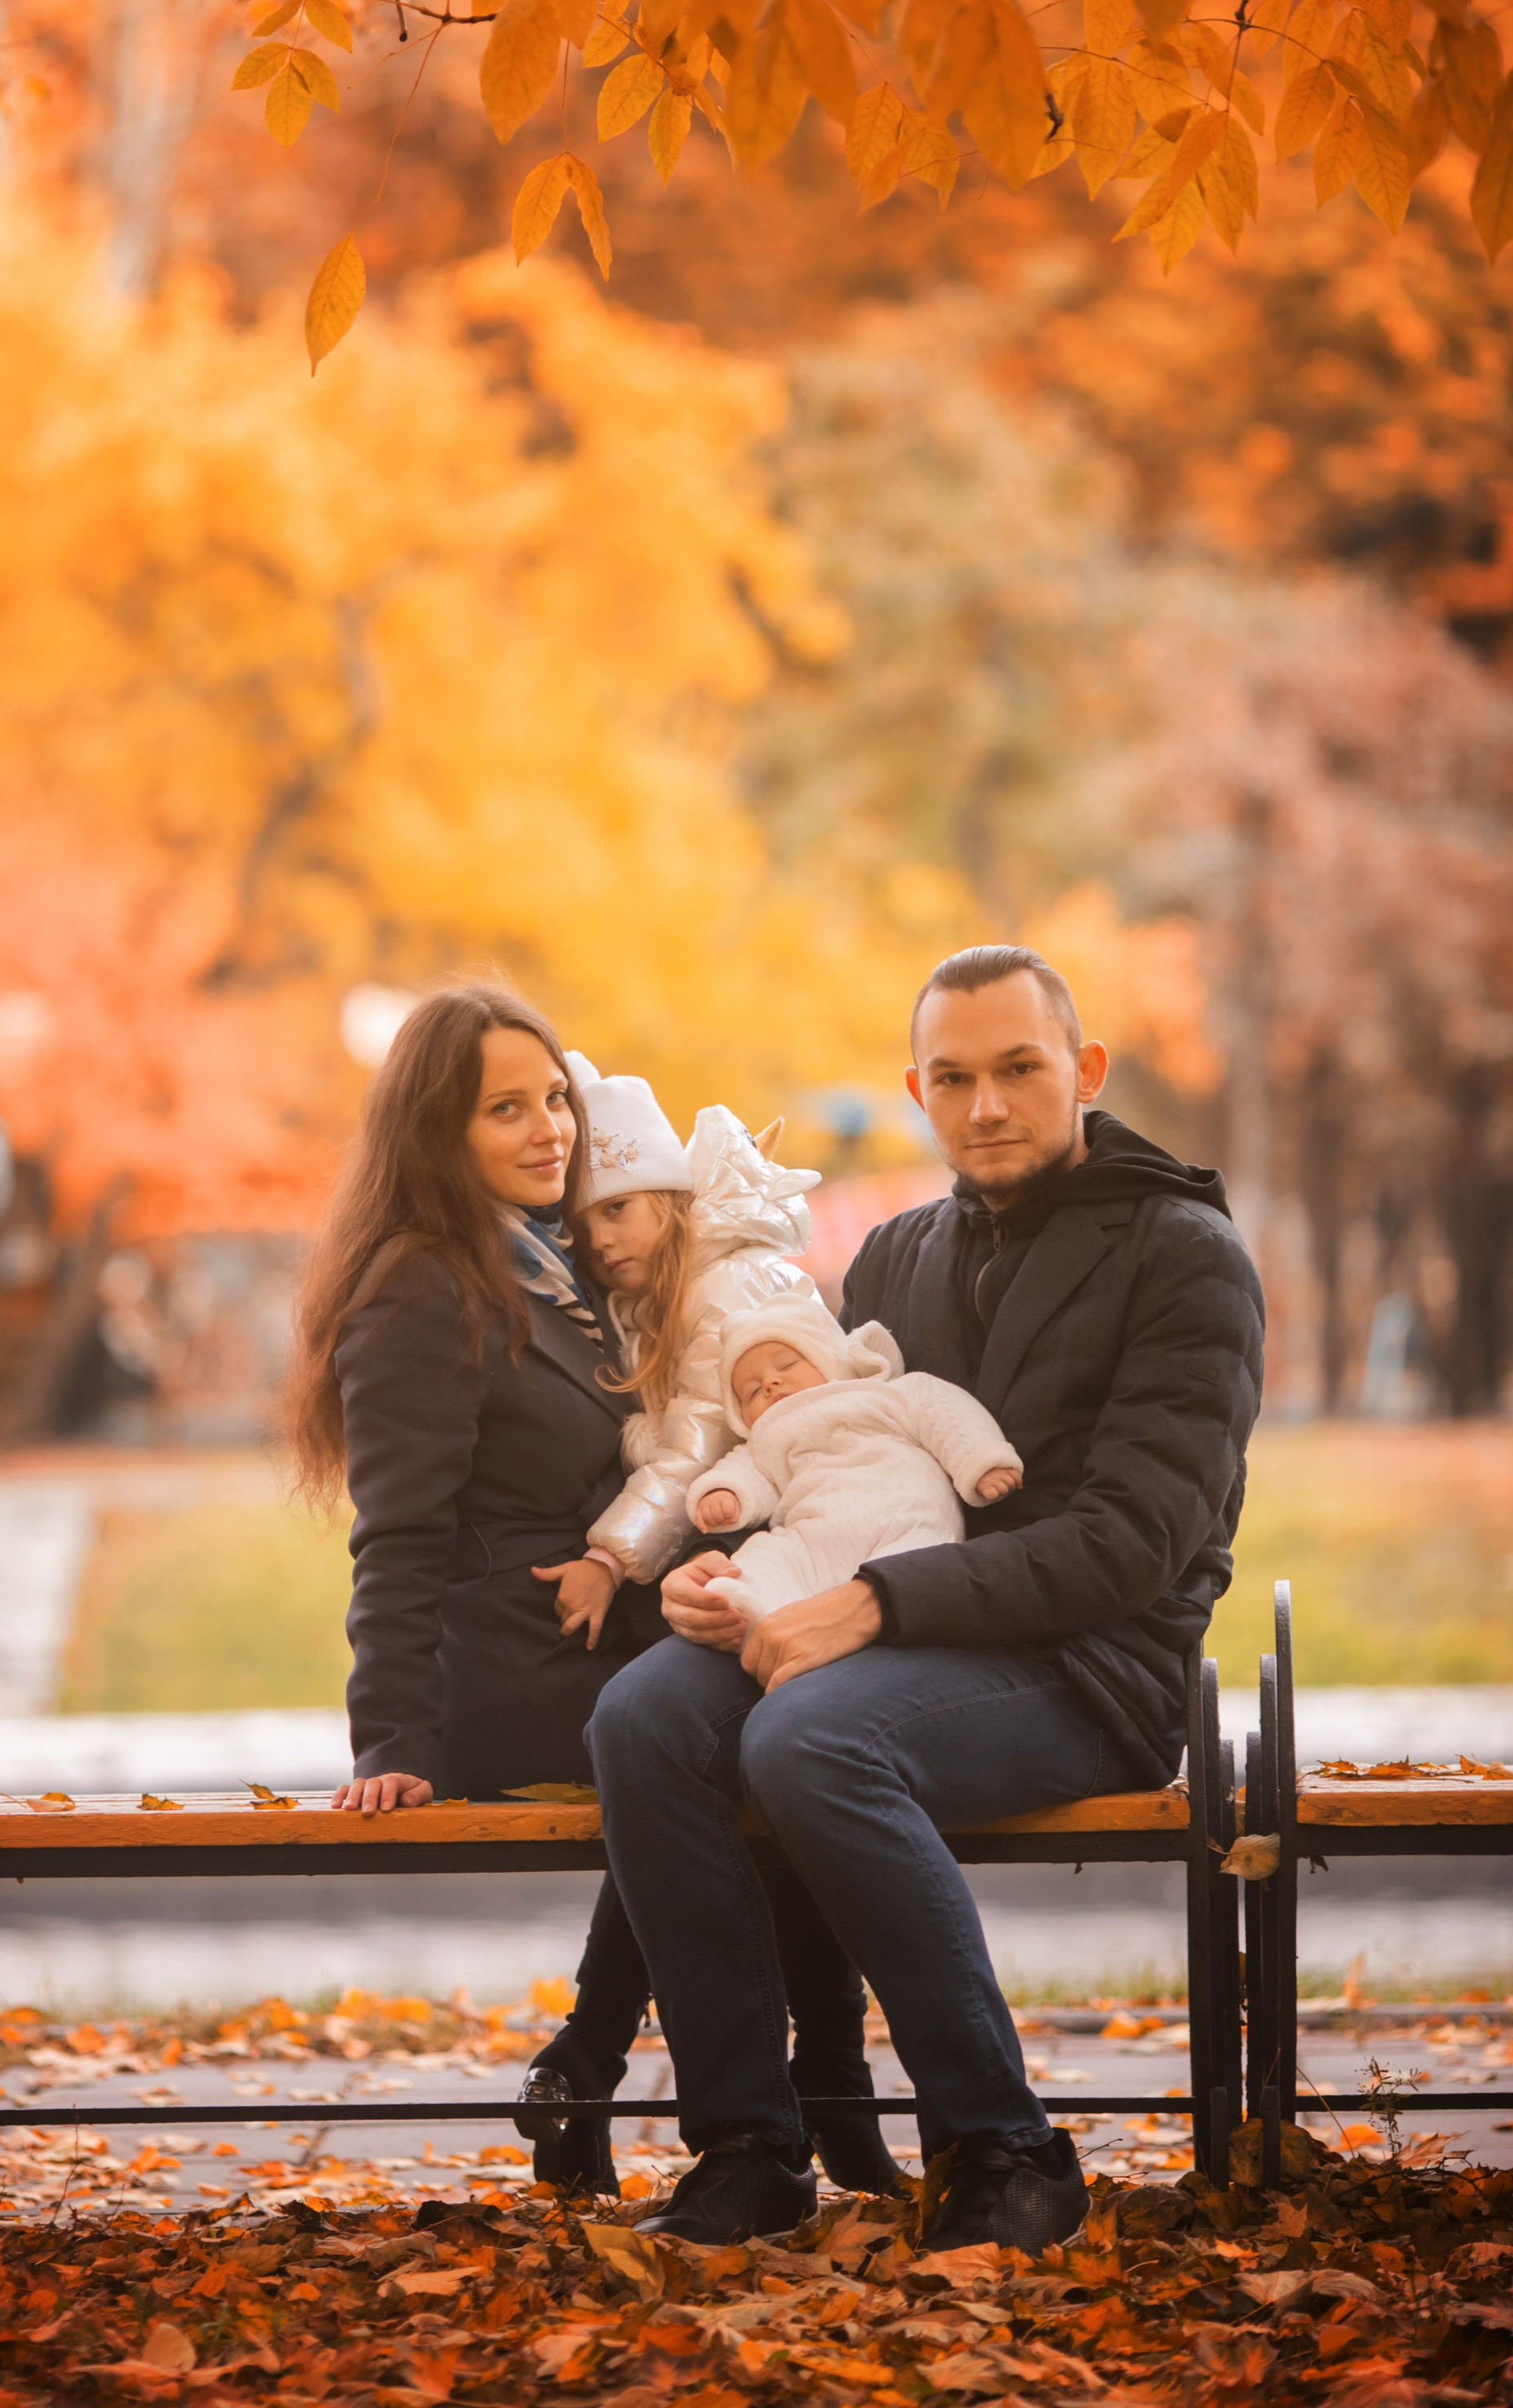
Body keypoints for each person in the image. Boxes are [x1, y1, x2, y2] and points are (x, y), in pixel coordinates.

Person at [587, 942, 1264, 2252]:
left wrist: (874, 1605)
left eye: (1021, 1069)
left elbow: (1132, 1544)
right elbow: (818, 1460)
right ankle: (749, 2146)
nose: (988, 1105)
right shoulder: (895, 1257)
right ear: (919, 1089)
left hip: (1090, 1665)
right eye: (954, 1078)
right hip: (874, 1628)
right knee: (641, 1719)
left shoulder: (1187, 1256)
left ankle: (1004, 2148)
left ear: (1088, 1071)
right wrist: (726, 1572)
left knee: (811, 1738)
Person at [284, 990, 894, 2201]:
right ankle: (783, 2101)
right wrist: (392, 1736)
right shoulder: (423, 1287)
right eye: (504, 1109)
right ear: (434, 1133)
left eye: (555, 1096)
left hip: (586, 1634)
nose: (548, 1128)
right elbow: (396, 1535)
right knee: (737, 1742)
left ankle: (645, 2073)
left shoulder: (551, 1272)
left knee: (786, 1727)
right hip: (505, 1666)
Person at [542, 1056, 831, 1638]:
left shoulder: (726, 1288)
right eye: (583, 1224)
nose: (600, 1239)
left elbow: (699, 1447)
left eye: (617, 1208)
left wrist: (609, 1560)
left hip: (819, 1522)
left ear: (666, 1194)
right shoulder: (653, 1304)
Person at [686, 1299, 1023, 1623]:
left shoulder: (882, 1393)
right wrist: (725, 1493)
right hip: (813, 1538)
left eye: (787, 1364)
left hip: (904, 1516)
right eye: (752, 1391)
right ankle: (749, 1611)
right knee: (767, 1558)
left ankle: (881, 1621)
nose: (771, 1384)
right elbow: (745, 1472)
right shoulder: (765, 1439)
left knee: (917, 1562)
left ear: (830, 1358)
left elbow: (945, 1412)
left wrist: (980, 1460)